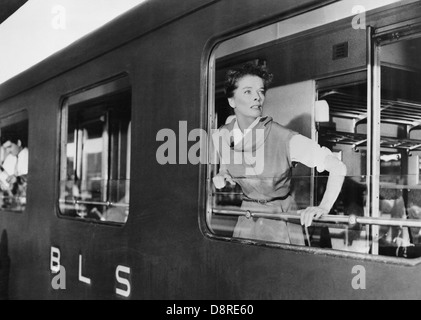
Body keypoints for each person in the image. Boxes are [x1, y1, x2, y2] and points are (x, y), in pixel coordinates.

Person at [212, 63, 347, 243]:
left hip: (280, 222)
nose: (257, 98)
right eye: (248, 92)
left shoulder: (284, 138)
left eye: (260, 91)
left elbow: (338, 167)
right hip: (246, 219)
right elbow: (226, 166)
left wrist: (323, 208)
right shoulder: (223, 134)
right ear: (232, 101)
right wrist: (222, 174)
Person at [0, 132, 28, 208]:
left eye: (10, 146)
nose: (8, 151)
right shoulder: (15, 157)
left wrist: (17, 179)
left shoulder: (28, 155)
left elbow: (34, 176)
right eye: (6, 148)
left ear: (19, 143)